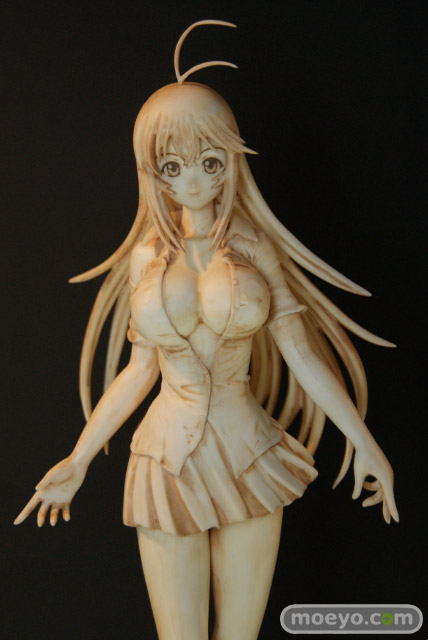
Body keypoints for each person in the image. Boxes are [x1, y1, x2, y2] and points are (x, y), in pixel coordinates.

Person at [15, 20, 398, 640]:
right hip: (164, 458)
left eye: (210, 162)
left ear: (231, 160)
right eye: (171, 166)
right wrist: (79, 458)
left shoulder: (254, 248)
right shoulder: (145, 257)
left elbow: (300, 354)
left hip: (251, 455)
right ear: (152, 171)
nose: (191, 181)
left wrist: (363, 440)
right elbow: (139, 370)